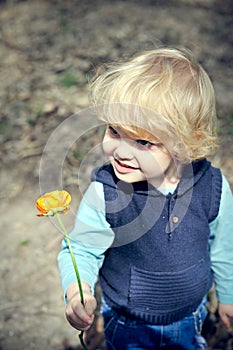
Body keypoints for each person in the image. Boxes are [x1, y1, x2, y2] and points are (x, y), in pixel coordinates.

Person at [58, 47, 233, 349]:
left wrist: (228, 297)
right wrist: (78, 291)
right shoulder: (107, 191)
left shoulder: (211, 188)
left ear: (185, 144)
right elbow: (82, 250)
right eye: (114, 130)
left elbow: (223, 248)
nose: (122, 152)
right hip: (127, 323)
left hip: (190, 317)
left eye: (143, 142)